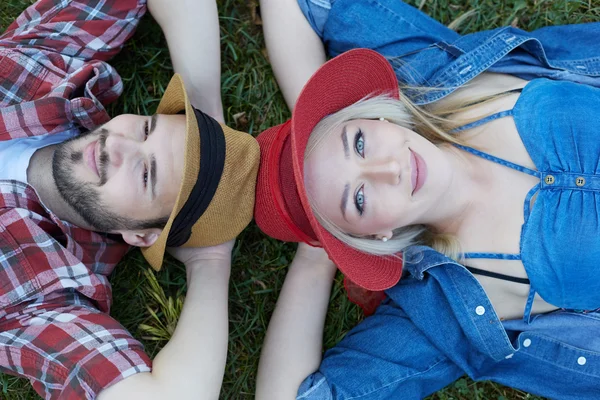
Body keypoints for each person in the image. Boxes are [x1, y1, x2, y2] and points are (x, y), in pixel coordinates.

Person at [254, 0, 600, 399]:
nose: (390, 170)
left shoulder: (430, 76)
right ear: (377, 235)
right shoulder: (445, 313)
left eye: (359, 143)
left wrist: (301, 134)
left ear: (372, 114)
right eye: (360, 199)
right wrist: (317, 251)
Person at [0, 0, 259, 398]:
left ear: (142, 236)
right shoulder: (54, 75)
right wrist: (205, 107)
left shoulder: (41, 289)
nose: (116, 144)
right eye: (145, 129)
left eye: (145, 174)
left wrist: (210, 262)